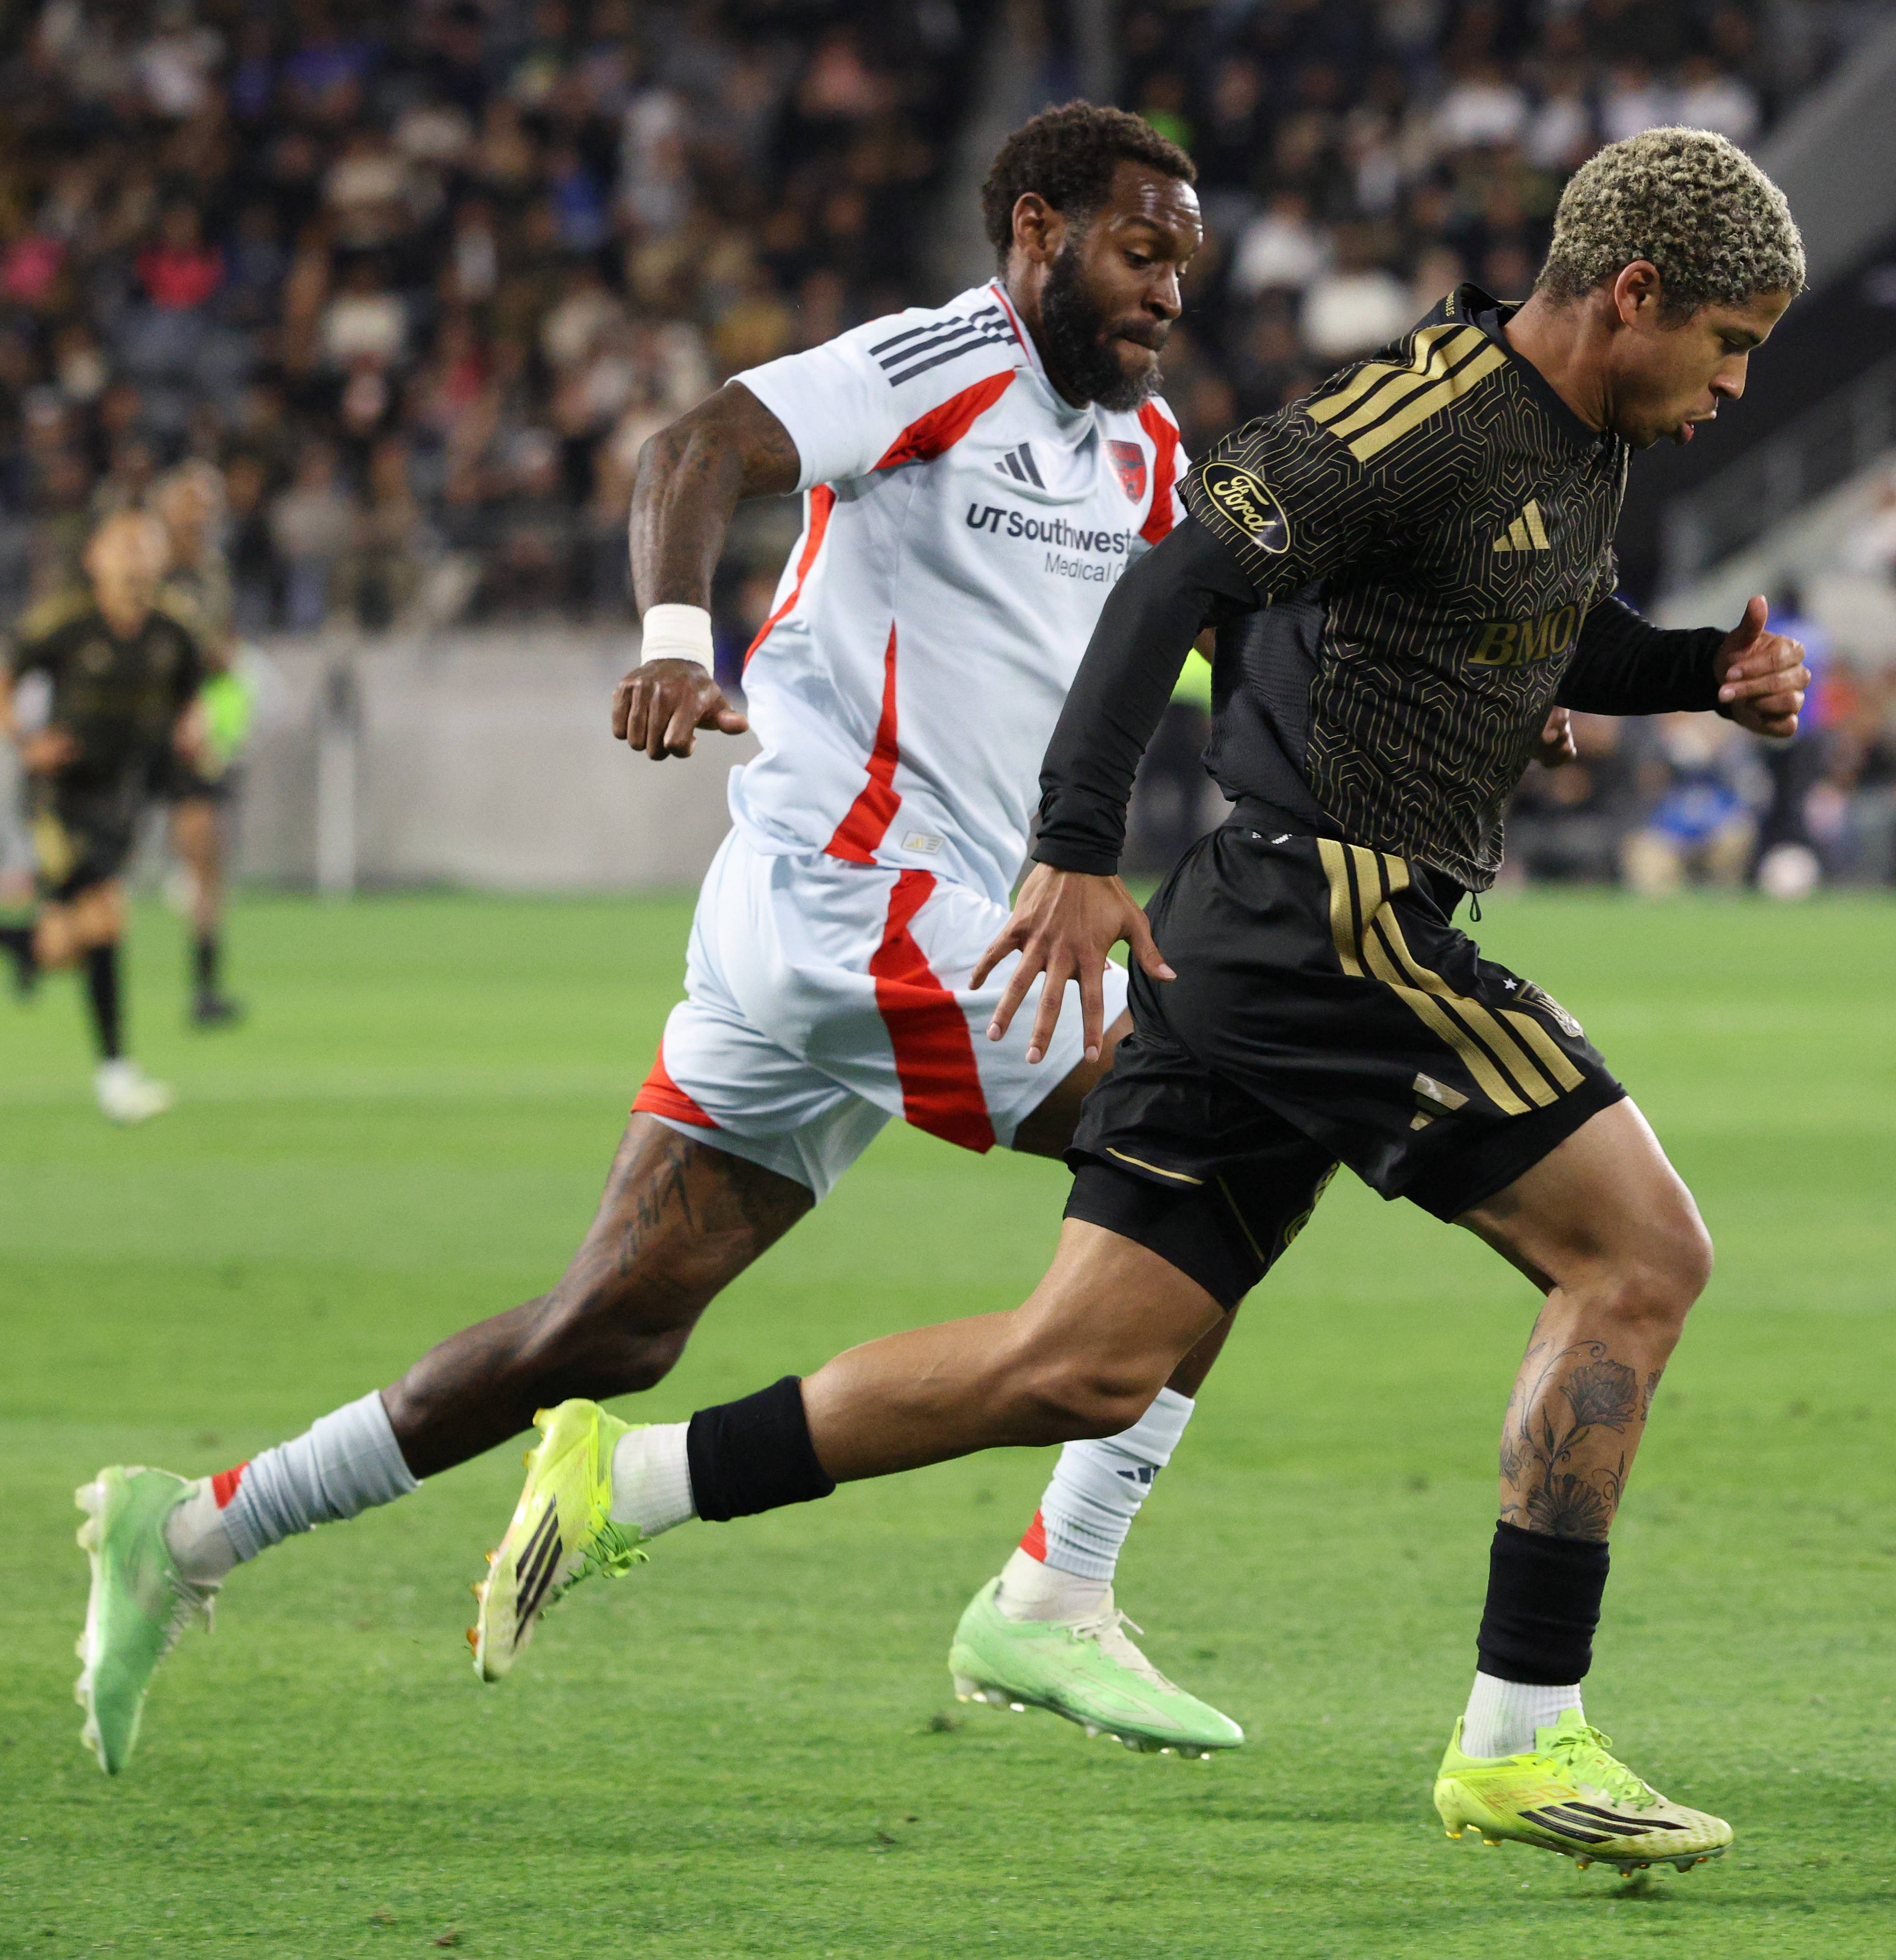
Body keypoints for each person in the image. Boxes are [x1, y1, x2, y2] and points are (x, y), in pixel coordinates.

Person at [477, 129, 1811, 1876]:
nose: (1730, 384)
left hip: (1254, 942)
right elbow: (1179, 572)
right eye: (1726, 343)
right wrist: (1076, 845)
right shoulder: (1422, 410)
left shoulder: (1569, 440)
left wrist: (1696, 670)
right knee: (1641, 1258)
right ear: (1631, 294)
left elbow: (1546, 622)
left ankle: (618, 1477)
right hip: (1339, 920)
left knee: (1082, 1362)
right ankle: (1517, 1734)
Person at [69, 106, 1249, 1775]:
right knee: (1221, 1132)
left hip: (853, 931)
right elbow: (694, 443)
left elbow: (1225, 627)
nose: (1167, 292)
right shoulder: (938, 364)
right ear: (1036, 230)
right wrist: (678, 637)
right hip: (865, 905)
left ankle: (185, 1530)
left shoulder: (1140, 456)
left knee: (602, 1329)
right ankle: (1053, 1589)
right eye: (1142, 251)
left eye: (1186, 264)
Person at [0, 512, 209, 1123]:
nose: (134, 557)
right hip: (57, 800)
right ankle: (116, 1078)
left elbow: (194, 698)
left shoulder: (175, 628)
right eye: (122, 545)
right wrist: (26, 742)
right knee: (107, 916)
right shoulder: (66, 623)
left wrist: (193, 728)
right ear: (96, 559)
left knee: (62, 946)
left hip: (120, 803)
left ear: (162, 559)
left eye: (145, 545)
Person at [149, 462, 249, 1027]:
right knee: (97, 866)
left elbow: (215, 646)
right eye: (191, 503)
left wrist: (221, 660)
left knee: (206, 857)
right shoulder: (145, 569)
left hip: (188, 735)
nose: (201, 515)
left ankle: (205, 988)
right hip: (138, 731)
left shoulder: (213, 574)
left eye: (208, 505)